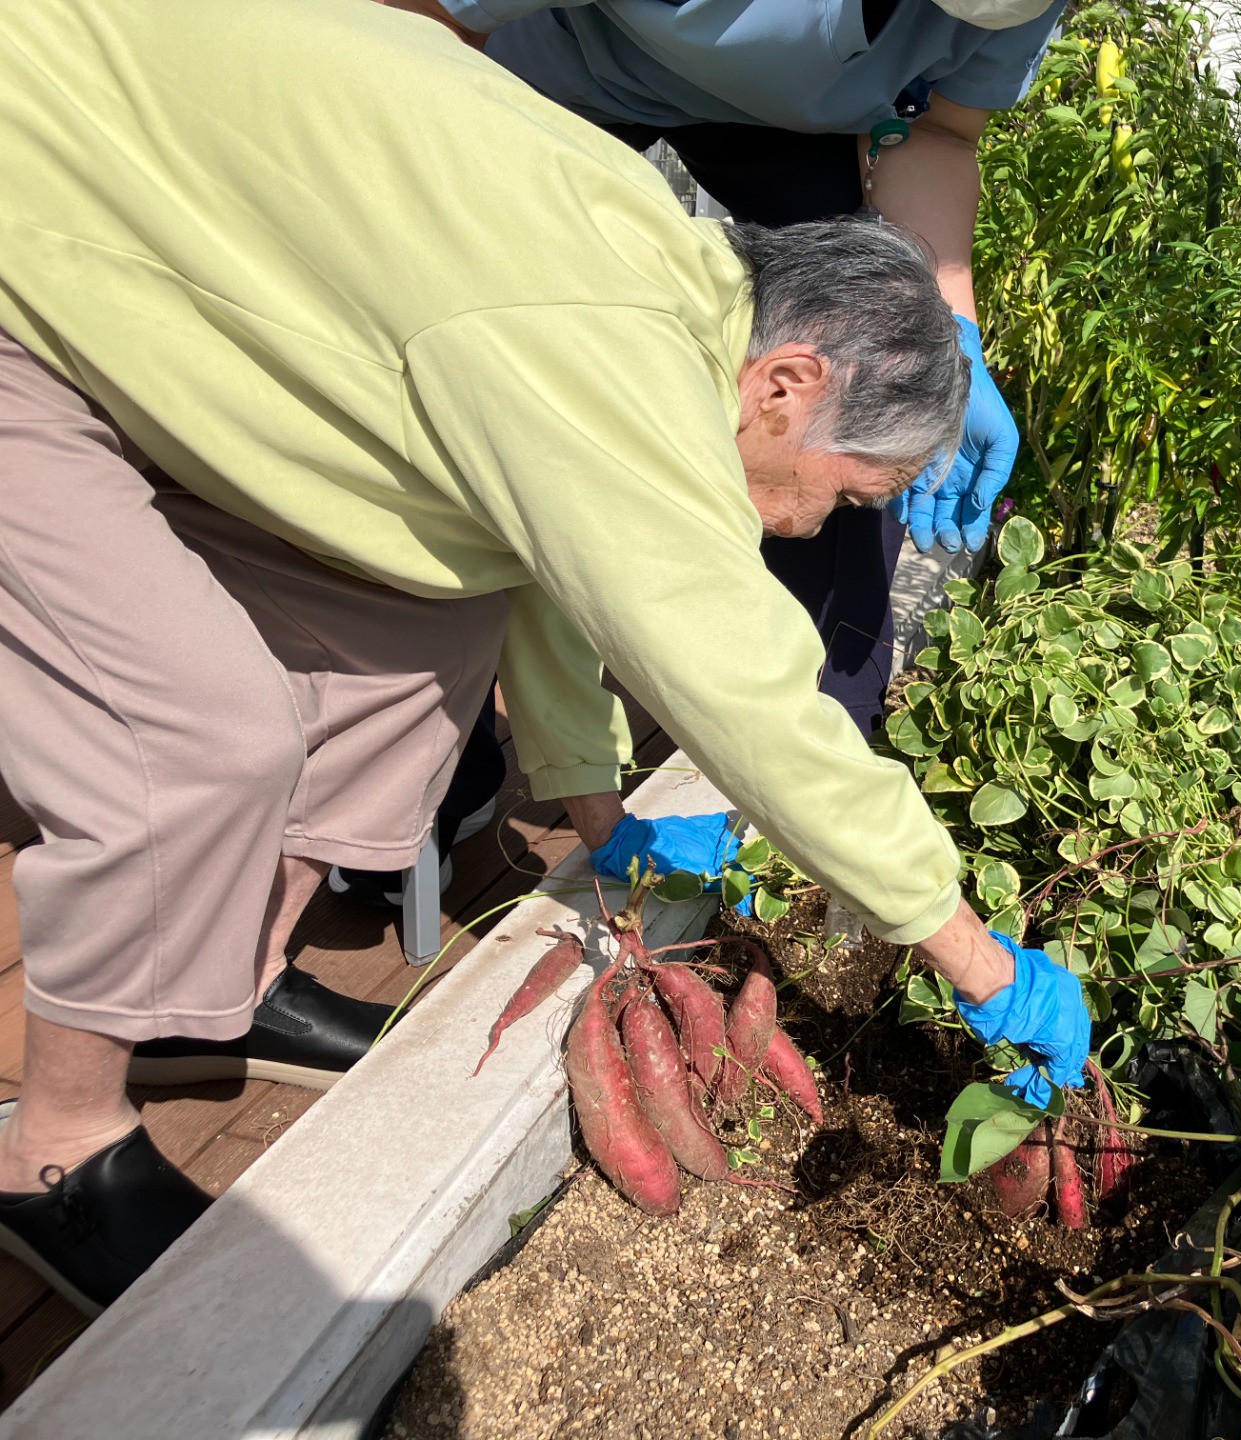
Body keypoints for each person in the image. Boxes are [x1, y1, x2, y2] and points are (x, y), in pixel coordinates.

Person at [0, 0, 1090, 1315]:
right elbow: (739, 684)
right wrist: (980, 963)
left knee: (432, 615)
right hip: (37, 211)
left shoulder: (688, 298)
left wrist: (600, 820)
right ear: (789, 384)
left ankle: (209, 994)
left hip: (154, 229)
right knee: (197, 734)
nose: (820, 525)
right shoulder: (602, 338)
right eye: (849, 492)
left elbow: (534, 563)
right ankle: (53, 1153)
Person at [389, 0, 1066, 739]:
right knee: (470, 372)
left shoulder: (1019, 10)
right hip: (560, 65)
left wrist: (947, 331)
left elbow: (939, 130)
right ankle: (442, 740)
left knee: (865, 391)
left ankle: (822, 716)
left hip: (795, 128)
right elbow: (420, 23)